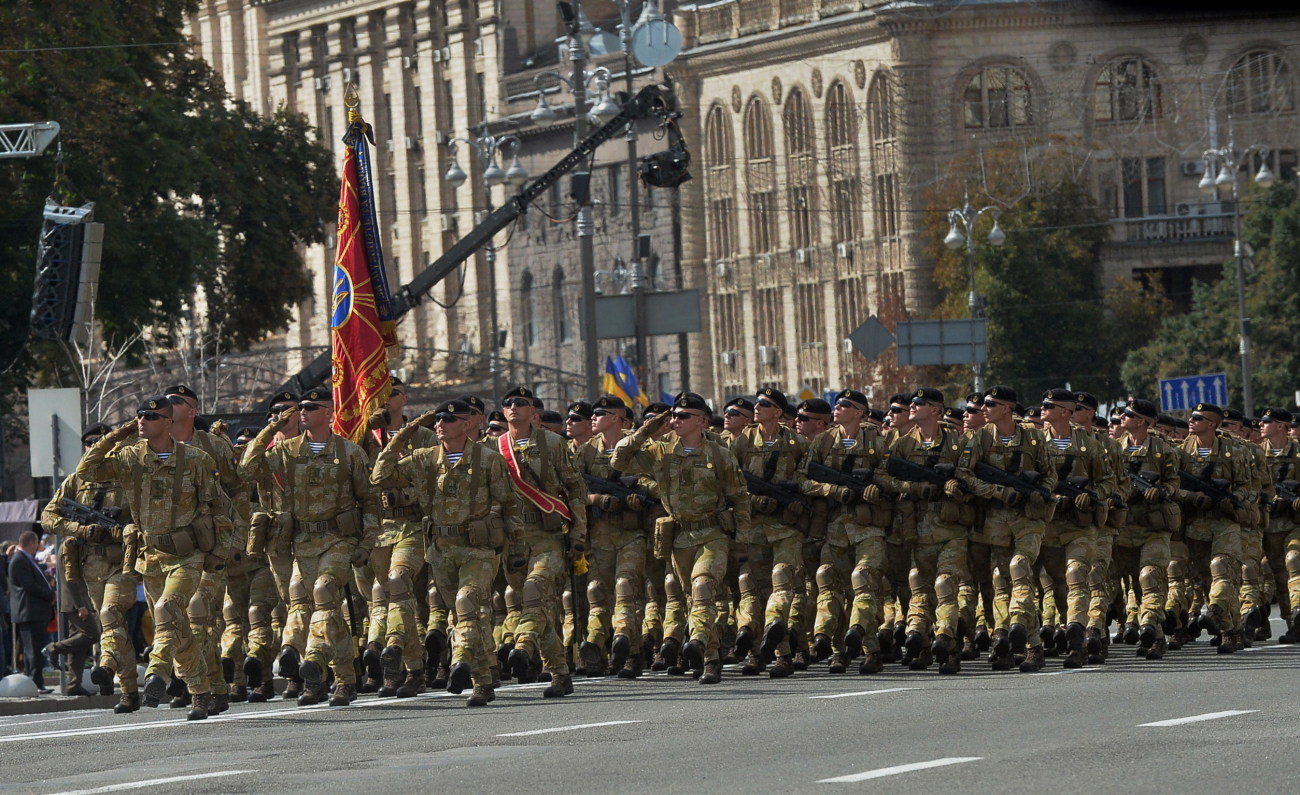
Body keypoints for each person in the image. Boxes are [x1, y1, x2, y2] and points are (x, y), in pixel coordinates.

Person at [77, 396, 228, 720]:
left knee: (167, 610)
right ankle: (200, 692)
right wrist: (119, 433)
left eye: (149, 416)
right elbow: (87, 470)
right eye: (139, 416)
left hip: (186, 556)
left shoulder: (196, 460)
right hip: (151, 557)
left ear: (168, 423)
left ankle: (156, 673)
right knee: (179, 626)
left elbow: (220, 508)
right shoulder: (130, 458)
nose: (142, 420)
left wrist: (222, 552)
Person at [372, 399, 522, 706]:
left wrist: (517, 546)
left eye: (448, 420)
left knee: (468, 603)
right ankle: (482, 681)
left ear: (466, 425)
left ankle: (460, 663)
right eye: (437, 420)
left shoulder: (488, 459)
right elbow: (380, 475)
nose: (440, 424)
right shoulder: (425, 458)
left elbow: (509, 504)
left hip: (477, 548)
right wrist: (407, 430)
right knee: (465, 615)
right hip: (440, 550)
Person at [238, 388, 380, 707]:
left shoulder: (349, 452)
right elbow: (247, 469)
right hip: (301, 542)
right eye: (300, 407)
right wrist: (271, 428)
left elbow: (370, 500)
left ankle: (311, 660)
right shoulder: (286, 450)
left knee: (324, 592)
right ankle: (340, 679)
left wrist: (367, 542)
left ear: (329, 413)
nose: (302, 411)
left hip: (338, 540)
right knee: (314, 608)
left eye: (311, 407)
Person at [612, 393, 750, 684]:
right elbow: (619, 459)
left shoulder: (719, 454)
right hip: (679, 537)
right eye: (673, 415)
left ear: (701, 420)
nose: (675, 420)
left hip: (712, 533)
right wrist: (648, 428)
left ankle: (698, 641)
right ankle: (710, 659)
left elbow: (739, 498)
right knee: (694, 598)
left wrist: (743, 539)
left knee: (703, 587)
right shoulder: (662, 451)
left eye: (683, 416)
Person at [496, 386, 588, 698]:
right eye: (508, 403)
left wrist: (578, 534)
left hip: (548, 535)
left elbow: (575, 489)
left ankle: (522, 644)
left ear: (533, 412)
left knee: (536, 591)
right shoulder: (493, 448)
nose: (512, 408)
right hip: (513, 540)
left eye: (520, 403)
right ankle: (560, 672)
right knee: (538, 605)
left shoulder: (552, 443)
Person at [360, 378, 436, 698]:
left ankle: (392, 648)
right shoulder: (362, 438)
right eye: (376, 393)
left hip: (412, 525)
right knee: (393, 598)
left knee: (398, 582)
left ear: (404, 398)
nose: (384, 399)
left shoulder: (424, 436)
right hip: (376, 529)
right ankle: (412, 668)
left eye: (390, 393)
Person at [8, 530, 56, 693]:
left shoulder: (26, 559)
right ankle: (35, 682)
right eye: (36, 543)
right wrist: (50, 594)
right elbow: (29, 585)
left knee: (36, 648)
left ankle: (34, 681)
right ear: (31, 543)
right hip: (29, 611)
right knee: (33, 649)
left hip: (35, 612)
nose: (37, 546)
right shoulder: (20, 559)